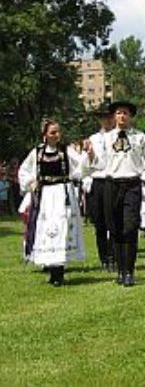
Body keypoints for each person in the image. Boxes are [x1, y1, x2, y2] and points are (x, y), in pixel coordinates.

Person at [86, 100, 145, 287]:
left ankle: (129, 271)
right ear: (114, 117)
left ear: (131, 116)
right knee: (116, 229)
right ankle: (120, 270)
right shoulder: (106, 139)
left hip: (132, 185)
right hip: (111, 185)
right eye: (119, 113)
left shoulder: (141, 138)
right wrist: (90, 155)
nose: (122, 116)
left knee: (130, 228)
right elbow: (100, 164)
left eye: (126, 113)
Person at [19, 120, 90, 286]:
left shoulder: (66, 151)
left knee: (63, 230)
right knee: (46, 231)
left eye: (58, 132)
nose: (56, 135)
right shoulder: (37, 152)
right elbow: (24, 170)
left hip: (62, 194)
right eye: (53, 132)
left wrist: (87, 154)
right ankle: (51, 269)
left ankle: (59, 272)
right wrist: (31, 182)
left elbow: (80, 166)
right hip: (44, 196)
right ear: (45, 135)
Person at [83, 103, 116, 271]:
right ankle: (104, 256)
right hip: (97, 182)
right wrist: (89, 155)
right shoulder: (93, 139)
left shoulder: (119, 137)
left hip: (113, 180)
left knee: (114, 221)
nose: (106, 120)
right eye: (103, 117)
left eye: (109, 117)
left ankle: (113, 256)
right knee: (100, 223)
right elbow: (85, 165)